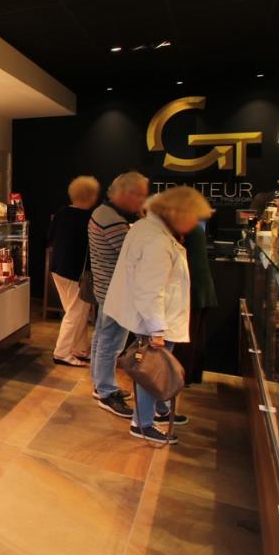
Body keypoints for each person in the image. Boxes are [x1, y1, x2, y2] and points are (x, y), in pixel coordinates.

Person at [105, 186, 214, 445]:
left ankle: (159, 409)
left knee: (156, 368)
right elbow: (150, 289)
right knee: (152, 369)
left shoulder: (150, 229)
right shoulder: (156, 240)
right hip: (156, 317)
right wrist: (156, 329)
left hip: (156, 314)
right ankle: (142, 422)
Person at [88, 171, 148, 419]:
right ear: (126, 194)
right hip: (115, 291)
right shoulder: (112, 220)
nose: (143, 201)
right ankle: (106, 391)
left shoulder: (102, 212)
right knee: (110, 342)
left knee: (102, 338)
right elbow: (134, 256)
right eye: (140, 195)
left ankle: (100, 385)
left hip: (106, 289)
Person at [48, 176, 101, 367]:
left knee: (77, 311)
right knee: (76, 312)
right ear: (91, 196)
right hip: (75, 272)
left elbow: (50, 238)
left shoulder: (61, 212)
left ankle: (80, 348)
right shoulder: (88, 218)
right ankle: (62, 352)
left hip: (58, 268)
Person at [175, 224, 217, 385]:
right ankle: (191, 375)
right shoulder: (194, 226)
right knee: (196, 336)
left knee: (187, 337)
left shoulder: (183, 228)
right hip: (200, 288)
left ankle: (182, 377)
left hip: (192, 289)